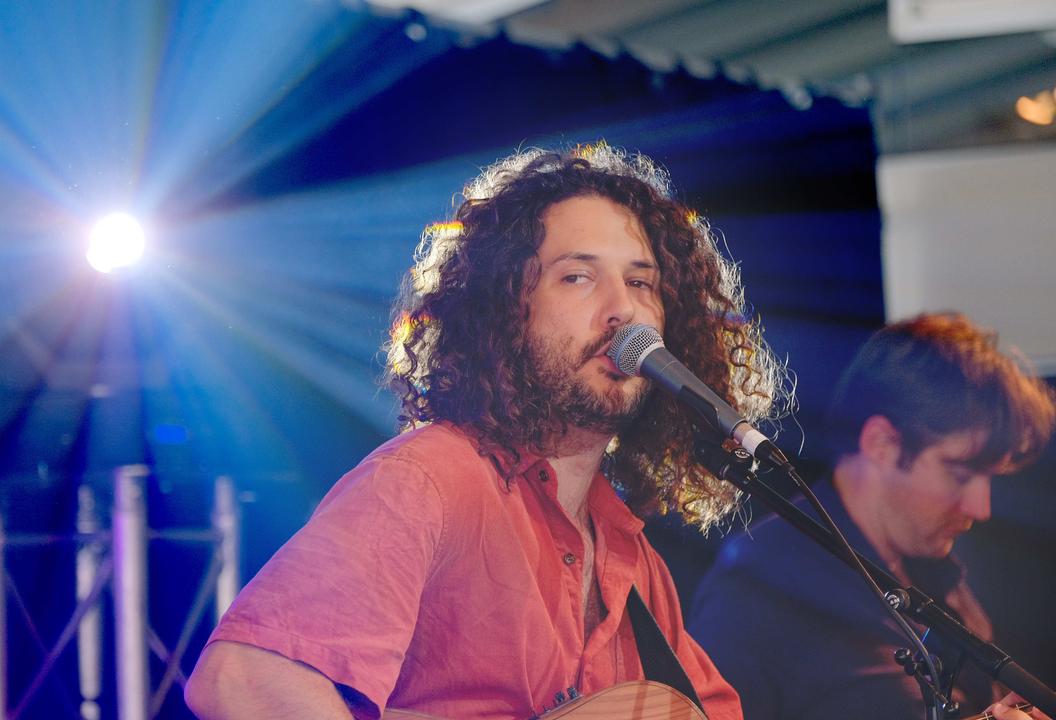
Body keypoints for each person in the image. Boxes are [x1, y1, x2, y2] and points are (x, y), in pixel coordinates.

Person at [184, 142, 782, 720]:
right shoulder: (430, 481)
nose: (622, 308)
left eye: (641, 282)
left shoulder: (633, 558)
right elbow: (245, 680)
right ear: (503, 308)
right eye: (578, 277)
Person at [690, 312, 1055, 720]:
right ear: (881, 443)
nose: (980, 508)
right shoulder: (753, 591)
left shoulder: (935, 574)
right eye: (960, 473)